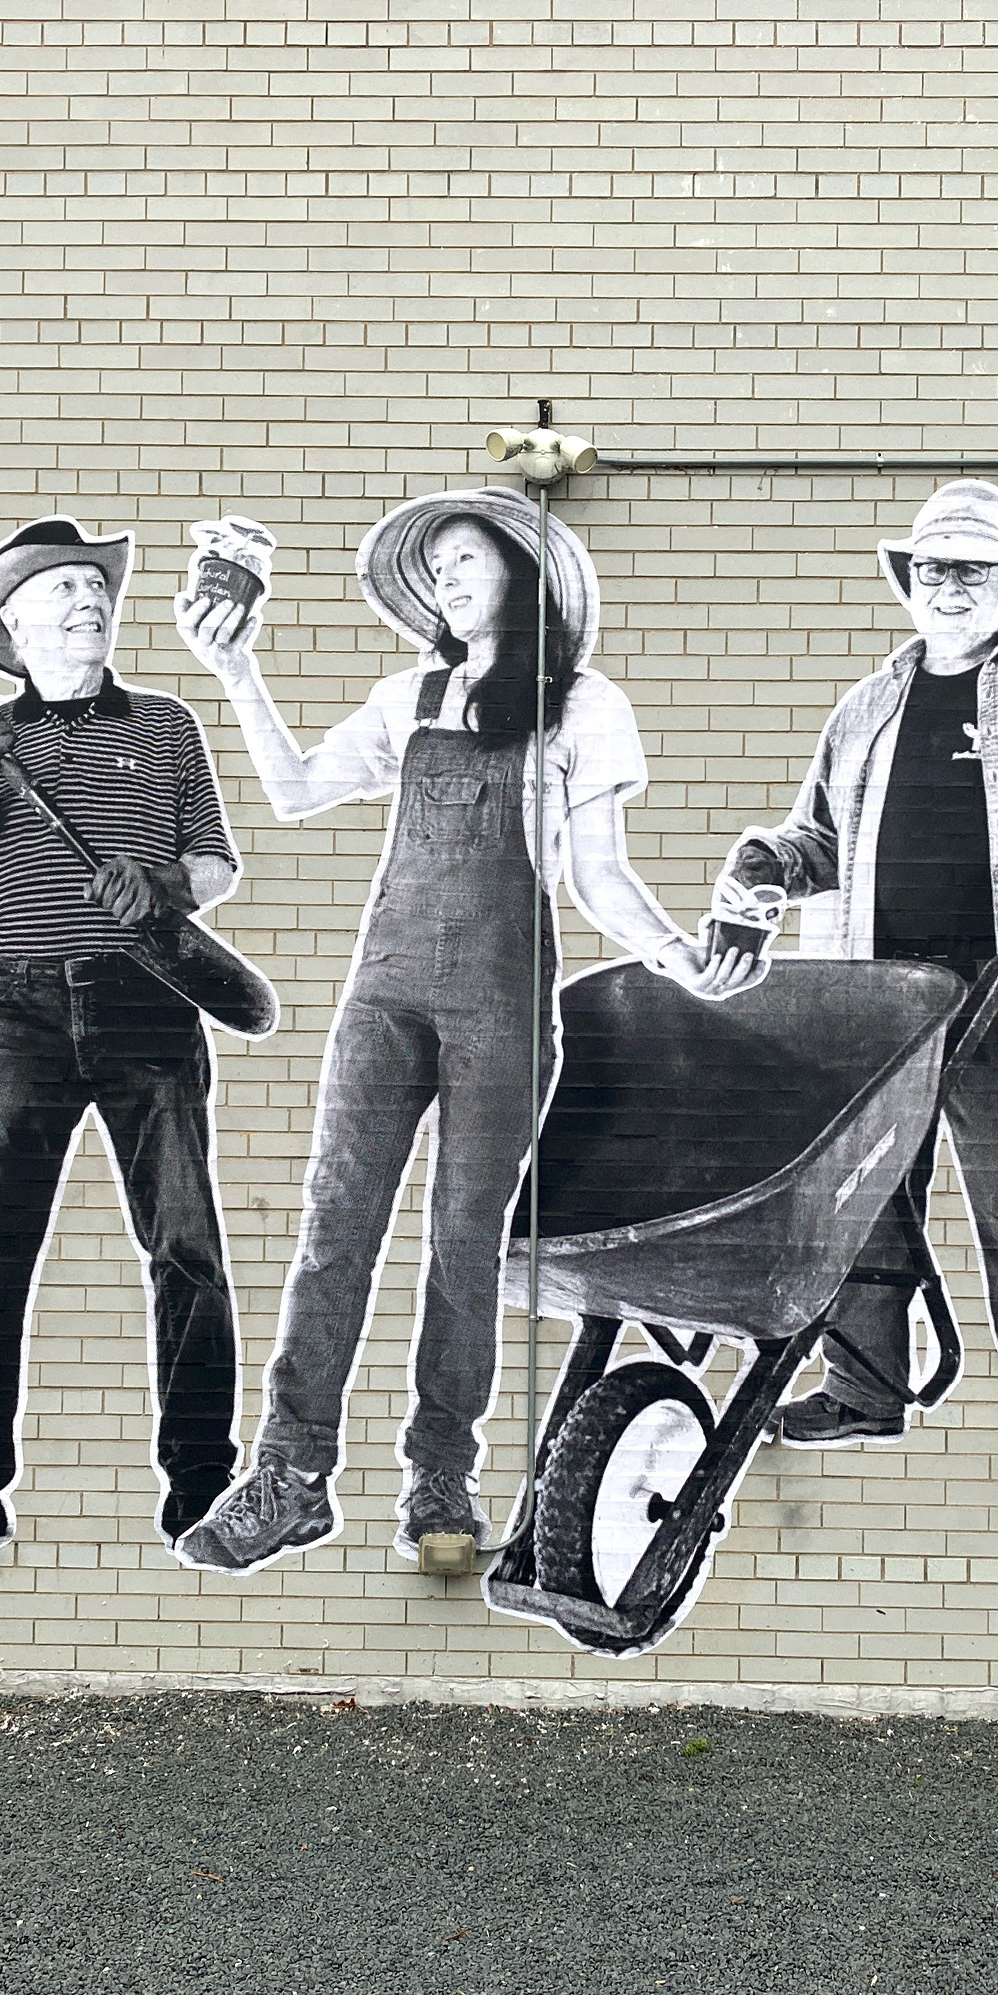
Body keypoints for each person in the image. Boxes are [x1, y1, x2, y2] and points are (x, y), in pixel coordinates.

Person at [173, 488, 730, 1576]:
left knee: (462, 1248)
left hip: (502, 1008)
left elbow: (597, 874)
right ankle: (288, 1476)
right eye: (437, 569)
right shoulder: (407, 696)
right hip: (383, 999)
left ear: (524, 575)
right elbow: (290, 793)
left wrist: (676, 955)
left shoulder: (581, 705)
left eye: (469, 560)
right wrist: (235, 672)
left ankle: (440, 1474)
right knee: (333, 1231)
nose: (449, 581)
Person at [697, 482, 998, 1519]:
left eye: (971, 570)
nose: (948, 588)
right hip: (874, 1015)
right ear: (907, 584)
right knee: (857, 1209)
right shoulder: (863, 709)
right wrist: (768, 860)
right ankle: (863, 1390)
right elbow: (818, 840)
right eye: (931, 569)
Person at [0, 518, 249, 1573]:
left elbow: (215, 861)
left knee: (183, 1244)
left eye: (92, 586)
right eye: (57, 588)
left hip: (150, 1002)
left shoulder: (166, 725)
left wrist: (168, 889)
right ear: (11, 623)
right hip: (15, 1011)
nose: (85, 600)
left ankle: (199, 1477)